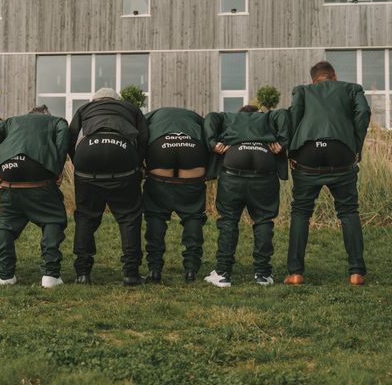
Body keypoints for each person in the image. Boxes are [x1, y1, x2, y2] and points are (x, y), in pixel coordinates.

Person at [285, 61, 371, 286]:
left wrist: (290, 151)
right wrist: (356, 145)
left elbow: (293, 117)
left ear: (314, 78)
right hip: (341, 151)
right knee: (348, 211)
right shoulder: (352, 88)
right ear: (334, 75)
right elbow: (364, 112)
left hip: (308, 153)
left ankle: (295, 273)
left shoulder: (302, 90)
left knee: (301, 212)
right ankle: (356, 273)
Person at [203, 105, 290, 287]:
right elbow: (283, 113)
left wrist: (212, 143)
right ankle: (263, 274)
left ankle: (223, 273)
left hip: (233, 172)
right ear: (258, 114)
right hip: (264, 172)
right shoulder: (265, 119)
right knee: (264, 220)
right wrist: (282, 141)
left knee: (228, 220)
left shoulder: (231, 117)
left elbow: (211, 116)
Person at [69, 88, 148, 286]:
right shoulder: (131, 108)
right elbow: (144, 138)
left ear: (95, 100)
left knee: (86, 216)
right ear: (117, 101)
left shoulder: (84, 108)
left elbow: (70, 137)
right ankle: (131, 273)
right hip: (122, 154)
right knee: (129, 217)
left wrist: (78, 163)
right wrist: (136, 164)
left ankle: (83, 273)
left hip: (88, 156)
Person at [0, 105, 69, 288]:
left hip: (8, 170)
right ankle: (50, 276)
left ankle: (6, 275)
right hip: (38, 170)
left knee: (6, 224)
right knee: (53, 219)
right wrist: (57, 169)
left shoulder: (11, 121)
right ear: (45, 115)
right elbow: (63, 138)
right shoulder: (56, 121)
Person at [142, 107, 210, 284]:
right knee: (193, 216)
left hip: (160, 148)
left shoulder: (151, 116)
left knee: (156, 215)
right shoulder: (196, 117)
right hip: (192, 148)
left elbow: (139, 134)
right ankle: (191, 270)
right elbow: (210, 136)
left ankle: (154, 270)